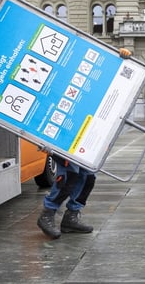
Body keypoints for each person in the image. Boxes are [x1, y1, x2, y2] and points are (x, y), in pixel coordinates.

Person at [37, 47, 132, 239]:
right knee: (70, 176)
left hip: (84, 132)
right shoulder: (57, 74)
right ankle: (47, 213)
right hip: (61, 134)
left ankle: (71, 217)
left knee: (88, 177)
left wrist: (121, 59)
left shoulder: (88, 72)